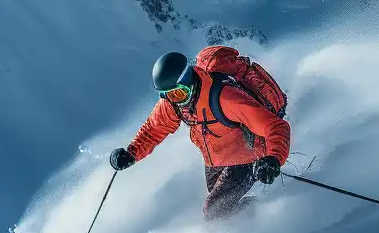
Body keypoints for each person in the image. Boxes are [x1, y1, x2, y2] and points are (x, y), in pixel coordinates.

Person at [109, 49, 291, 220]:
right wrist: (131, 153)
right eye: (167, 95)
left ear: (189, 80)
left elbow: (275, 126)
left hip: (247, 157)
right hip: (216, 158)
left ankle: (254, 225)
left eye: (179, 93)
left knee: (214, 212)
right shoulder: (174, 103)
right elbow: (154, 128)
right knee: (220, 208)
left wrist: (273, 159)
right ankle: (246, 220)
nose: (176, 100)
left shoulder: (226, 99)